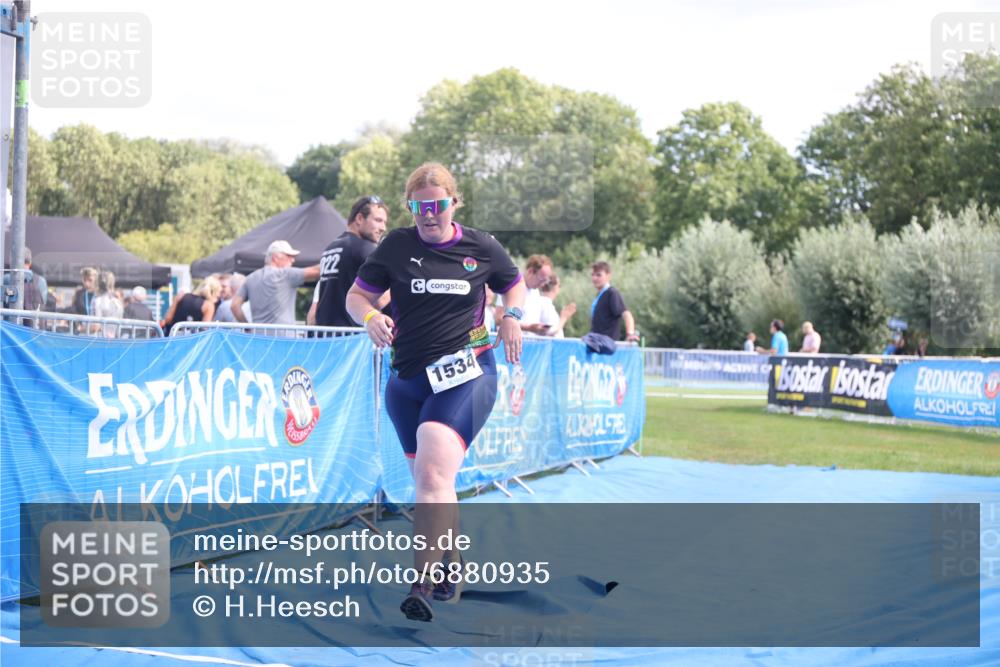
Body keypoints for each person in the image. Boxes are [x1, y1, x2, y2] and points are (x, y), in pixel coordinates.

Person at [346, 162, 524, 622]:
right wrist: (370, 317)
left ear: (454, 203)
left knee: (430, 475)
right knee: (434, 483)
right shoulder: (396, 246)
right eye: (418, 207)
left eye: (437, 205)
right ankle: (451, 564)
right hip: (406, 382)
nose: (428, 215)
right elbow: (355, 297)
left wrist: (511, 316)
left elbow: (514, 284)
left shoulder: (481, 246)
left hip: (467, 375)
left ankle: (422, 584)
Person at [308, 195, 389, 327]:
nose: (383, 228)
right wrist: (400, 279)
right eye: (378, 220)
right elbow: (378, 301)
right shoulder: (365, 248)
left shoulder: (330, 248)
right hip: (351, 335)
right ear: (359, 218)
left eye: (385, 222)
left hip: (326, 333)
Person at [231, 241, 320, 327]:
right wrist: (328, 259)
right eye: (288, 256)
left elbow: (234, 306)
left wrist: (247, 327)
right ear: (275, 257)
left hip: (258, 335)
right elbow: (316, 271)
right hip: (283, 335)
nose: (292, 260)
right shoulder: (285, 274)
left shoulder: (251, 278)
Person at [494, 254, 553, 334]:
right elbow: (498, 319)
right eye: (541, 280)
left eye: (545, 281)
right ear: (530, 271)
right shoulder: (511, 286)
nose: (542, 284)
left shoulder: (535, 291)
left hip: (529, 341)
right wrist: (528, 328)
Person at [588, 261, 639, 342]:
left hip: (606, 343)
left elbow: (626, 314)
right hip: (596, 341)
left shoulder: (611, 293)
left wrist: (630, 334)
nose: (594, 278)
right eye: (593, 275)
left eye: (598, 275)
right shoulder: (600, 295)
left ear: (608, 276)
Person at [92, 270, 124, 337]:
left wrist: (81, 328)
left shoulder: (98, 301)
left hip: (101, 340)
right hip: (115, 339)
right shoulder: (118, 302)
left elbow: (96, 327)